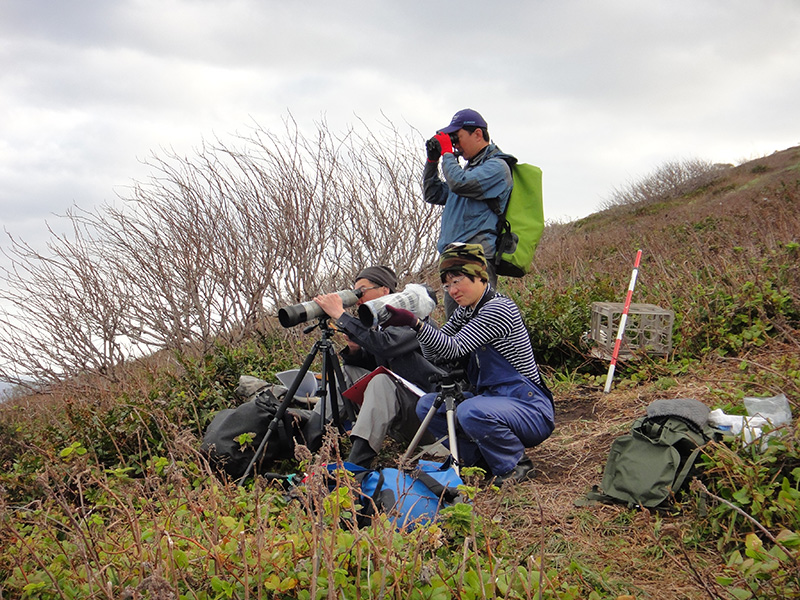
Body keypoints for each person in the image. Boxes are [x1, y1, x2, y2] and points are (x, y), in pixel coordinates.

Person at [383, 243, 554, 484]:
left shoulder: (498, 309)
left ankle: (515, 464)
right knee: (428, 406)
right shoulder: (465, 312)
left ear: (480, 276)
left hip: (529, 406)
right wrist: (419, 321)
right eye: (446, 284)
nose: (452, 290)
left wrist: (416, 324)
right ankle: (480, 462)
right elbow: (436, 355)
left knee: (469, 410)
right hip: (492, 400)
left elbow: (454, 348)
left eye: (458, 280)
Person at [313, 265, 443, 467]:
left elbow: (386, 346)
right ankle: (310, 436)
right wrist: (355, 350)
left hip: (426, 418)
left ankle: (356, 465)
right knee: (348, 371)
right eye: (356, 292)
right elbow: (376, 360)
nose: (359, 297)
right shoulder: (379, 325)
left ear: (385, 291)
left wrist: (342, 316)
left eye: (362, 290)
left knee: (382, 380)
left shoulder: (415, 319)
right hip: (400, 412)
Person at [423, 108, 516, 316]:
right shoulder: (467, 171)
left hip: (475, 262)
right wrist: (432, 161)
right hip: (453, 260)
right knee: (457, 334)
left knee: (477, 332)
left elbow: (459, 184)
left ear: (478, 134)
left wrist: (447, 154)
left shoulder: (497, 168)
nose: (455, 144)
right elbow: (433, 194)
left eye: (458, 137)